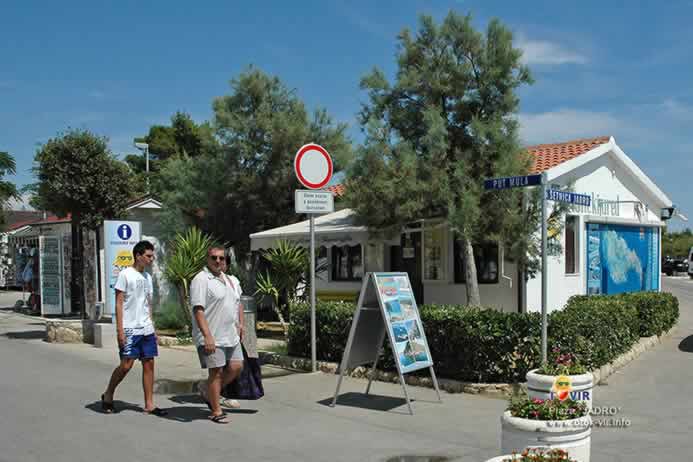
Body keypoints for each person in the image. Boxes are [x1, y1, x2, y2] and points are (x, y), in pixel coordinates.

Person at [101, 240, 167, 416]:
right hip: (130, 329)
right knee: (126, 366)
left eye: (152, 256)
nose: (151, 259)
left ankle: (149, 404)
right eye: (148, 256)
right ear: (138, 256)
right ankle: (108, 395)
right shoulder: (125, 275)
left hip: (146, 329)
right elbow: (119, 304)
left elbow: (148, 304)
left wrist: (152, 328)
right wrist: (120, 330)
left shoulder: (147, 278)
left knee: (149, 364)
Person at [190, 246, 244, 424]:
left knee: (236, 367)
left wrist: (240, 324)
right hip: (212, 335)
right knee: (216, 372)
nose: (218, 261)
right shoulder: (201, 279)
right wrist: (207, 336)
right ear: (207, 259)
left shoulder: (230, 280)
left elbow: (237, 304)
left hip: (231, 334)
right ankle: (216, 410)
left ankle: (206, 390)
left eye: (221, 258)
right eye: (214, 258)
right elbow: (198, 309)